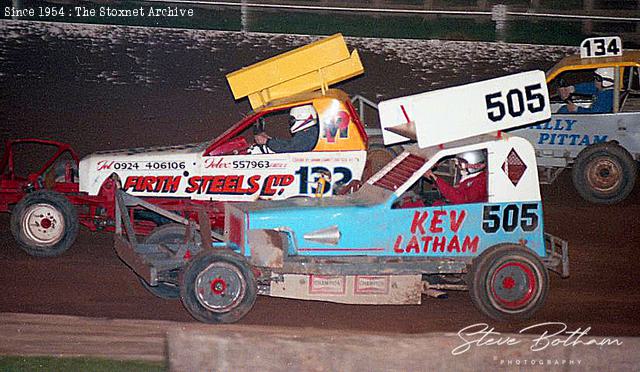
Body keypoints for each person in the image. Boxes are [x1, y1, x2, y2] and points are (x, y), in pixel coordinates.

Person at [254, 105, 319, 153]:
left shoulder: (308, 135)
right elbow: (290, 143)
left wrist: (267, 141)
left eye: (292, 120)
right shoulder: (311, 131)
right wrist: (269, 139)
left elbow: (289, 148)